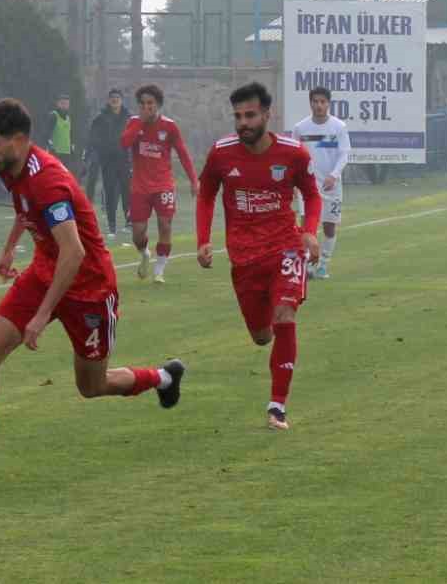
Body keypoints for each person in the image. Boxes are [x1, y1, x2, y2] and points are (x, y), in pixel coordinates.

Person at [0, 98, 184, 484]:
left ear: (19, 140)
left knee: (92, 386)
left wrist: (42, 314)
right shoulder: (11, 166)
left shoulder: (48, 180)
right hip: (46, 271)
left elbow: (74, 251)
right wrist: (9, 247)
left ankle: (162, 377)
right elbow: (25, 208)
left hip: (89, 286)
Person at [196, 83, 322, 432]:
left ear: (268, 115)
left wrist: (309, 230)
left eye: (250, 115)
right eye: (238, 116)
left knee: (285, 315)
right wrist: (203, 240)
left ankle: (277, 407)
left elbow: (311, 196)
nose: (243, 123)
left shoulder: (294, 153)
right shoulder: (221, 154)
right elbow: (206, 194)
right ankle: (274, 364)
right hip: (245, 258)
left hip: (286, 247)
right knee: (262, 336)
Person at [120, 84, 197, 283]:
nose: (147, 107)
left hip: (163, 185)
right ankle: (145, 253)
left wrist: (193, 180)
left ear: (158, 104)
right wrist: (140, 123)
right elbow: (124, 143)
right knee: (138, 233)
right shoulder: (133, 123)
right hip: (139, 187)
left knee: (165, 225)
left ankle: (159, 270)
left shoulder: (169, 126)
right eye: (143, 103)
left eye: (151, 103)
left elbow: (183, 153)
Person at [291, 87, 350, 280]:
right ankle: (307, 265)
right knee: (307, 225)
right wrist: (292, 183)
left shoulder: (339, 127)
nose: (319, 105)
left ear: (328, 104)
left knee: (329, 226)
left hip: (331, 186)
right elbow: (293, 157)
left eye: (322, 102)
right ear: (310, 103)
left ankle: (323, 265)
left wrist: (334, 175)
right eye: (315, 101)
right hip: (307, 186)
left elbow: (344, 154)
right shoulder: (300, 128)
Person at [83, 88, 131, 240]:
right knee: (110, 192)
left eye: (117, 97)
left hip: (125, 160)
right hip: (108, 162)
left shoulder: (129, 118)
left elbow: (136, 138)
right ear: (108, 100)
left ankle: (129, 222)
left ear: (122, 100)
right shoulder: (100, 118)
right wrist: (91, 155)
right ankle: (112, 225)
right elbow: (92, 138)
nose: (115, 100)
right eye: (112, 98)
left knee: (127, 192)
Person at [38, 93, 76, 170]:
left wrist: (72, 149)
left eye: (67, 104)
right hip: (55, 153)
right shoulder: (53, 116)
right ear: (58, 104)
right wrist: (50, 147)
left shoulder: (68, 118)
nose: (65, 106)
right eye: (63, 103)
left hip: (66, 154)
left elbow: (70, 135)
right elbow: (46, 133)